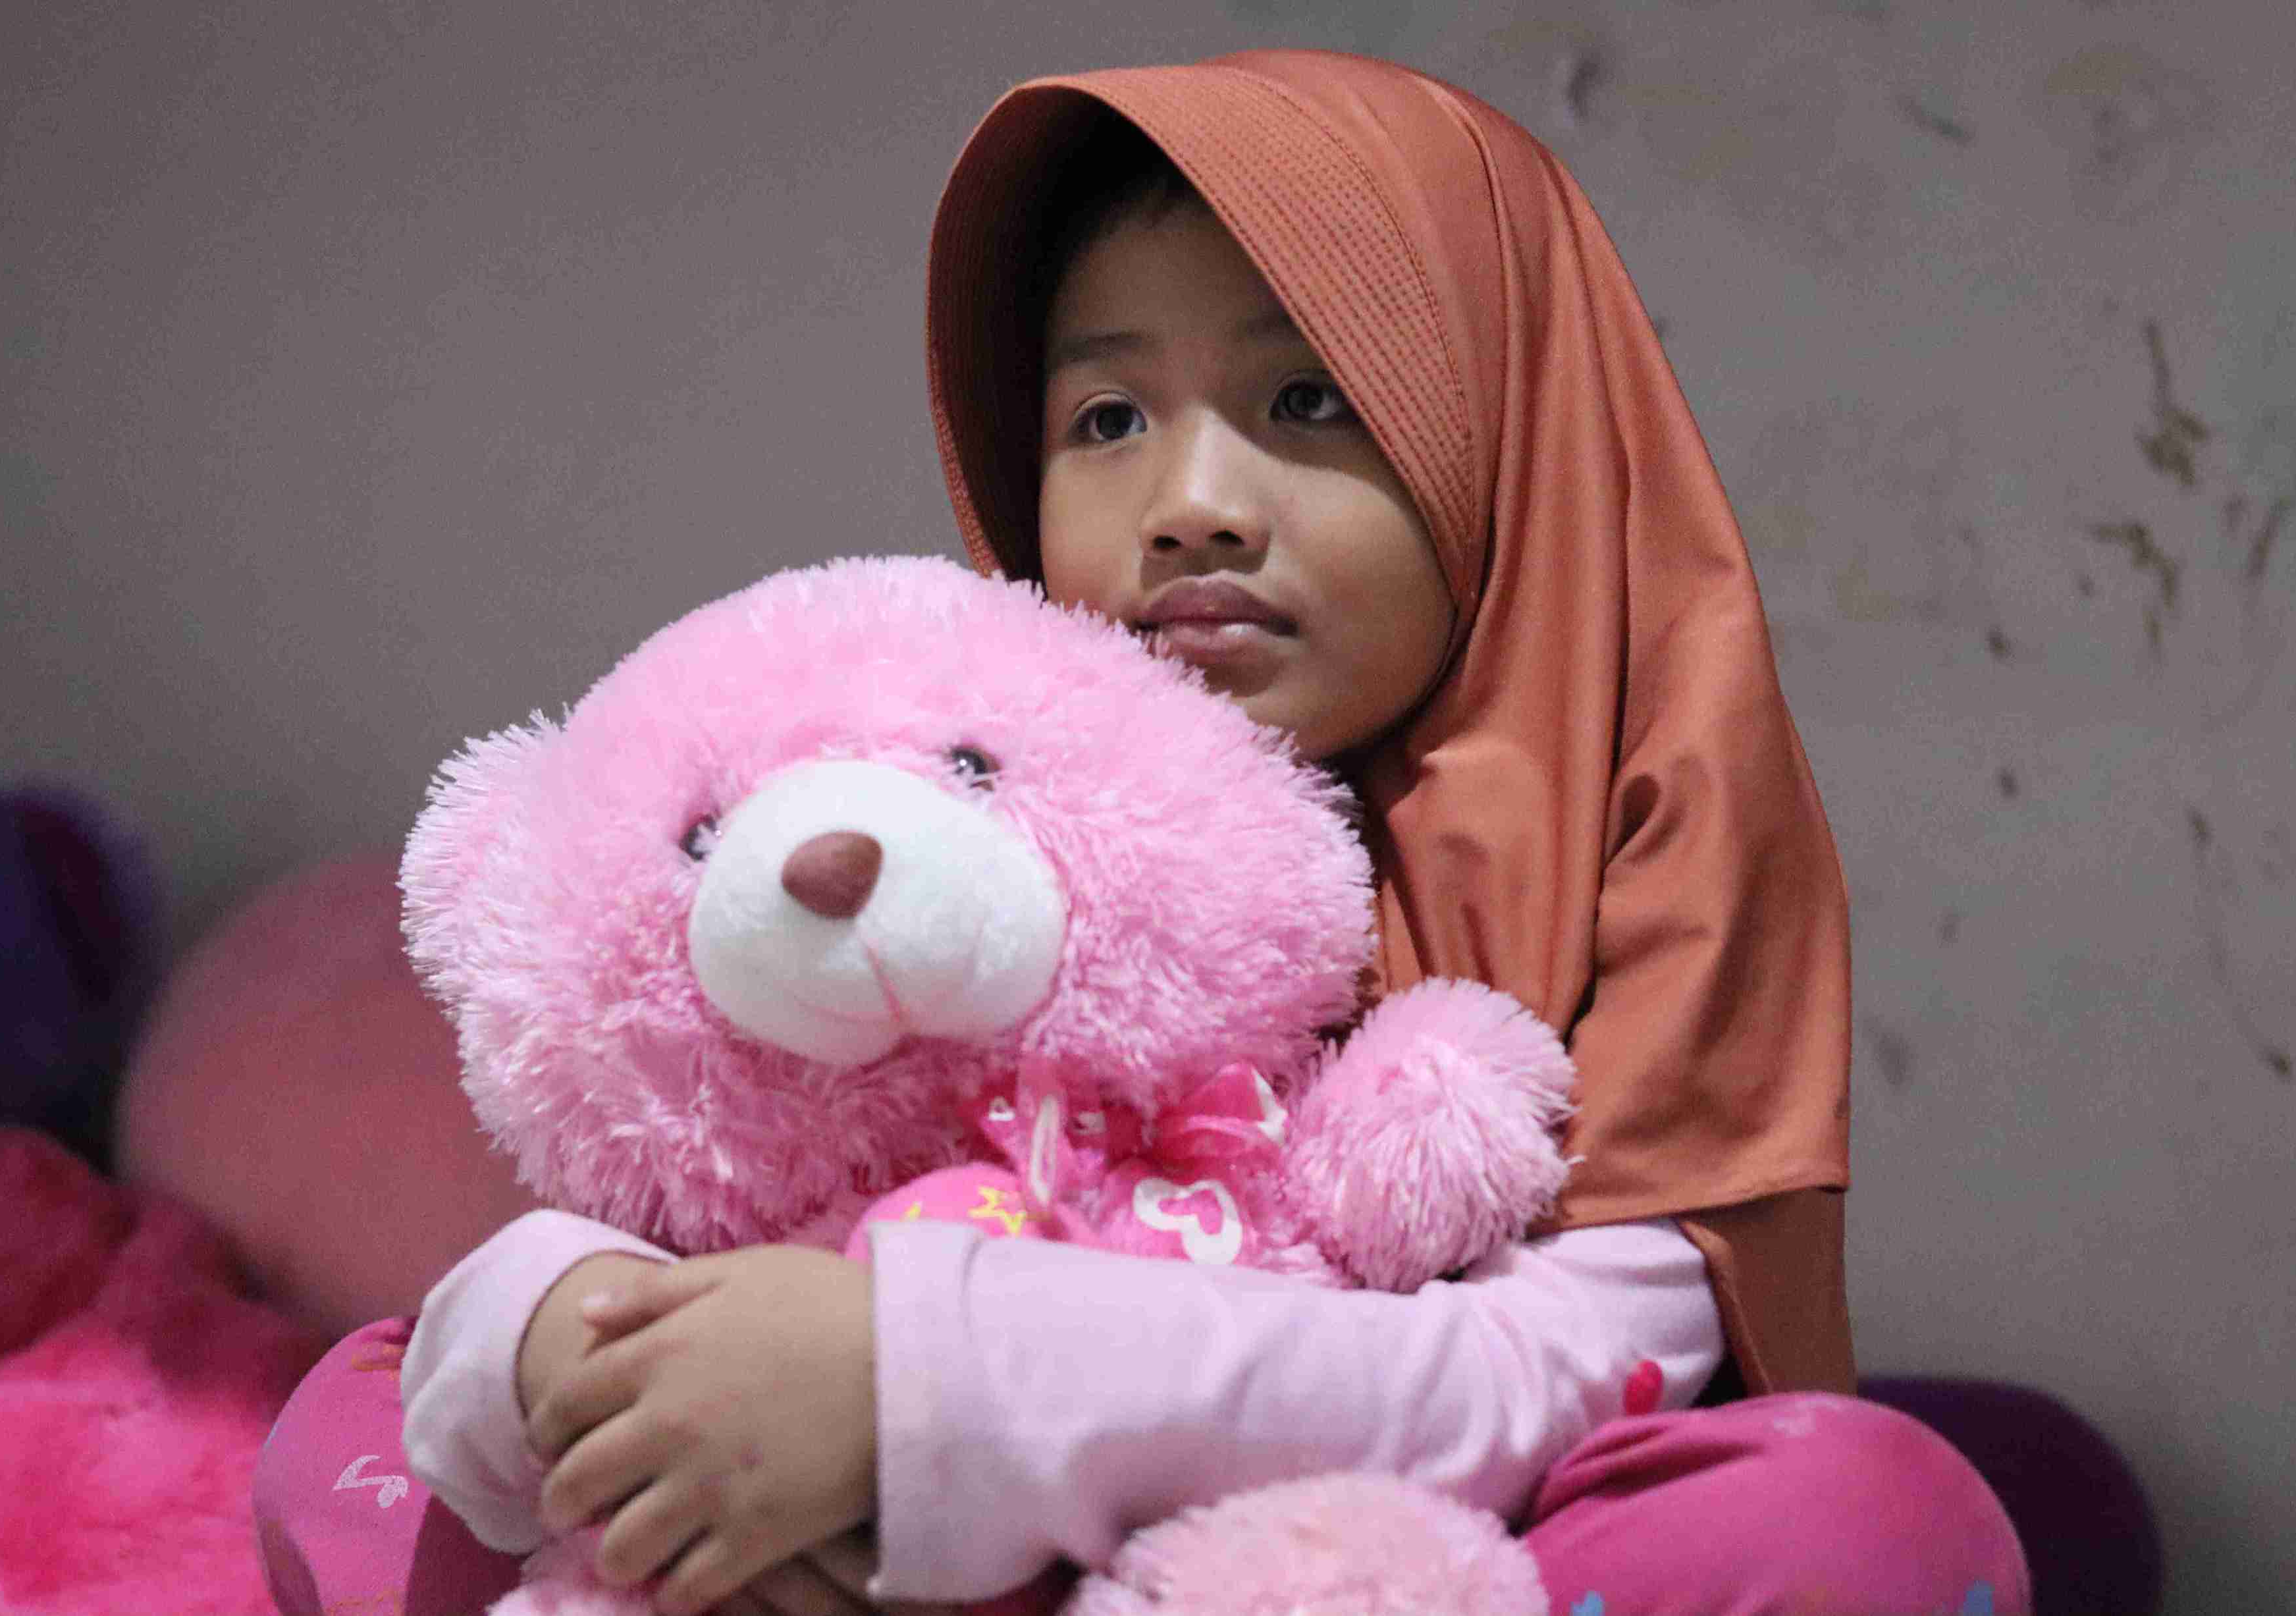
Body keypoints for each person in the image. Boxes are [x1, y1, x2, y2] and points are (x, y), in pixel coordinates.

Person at [258, 49, 2029, 1616]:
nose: (1188, 507)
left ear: (1512, 434)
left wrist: (919, 1387)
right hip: (869, 1508)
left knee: (1856, 1514)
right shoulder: (962, 778)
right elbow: (735, 1191)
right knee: (374, 1417)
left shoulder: (1660, 824)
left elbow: (1564, 1371)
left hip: (1390, 1547)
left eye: (1309, 401)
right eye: (1105, 419)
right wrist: (591, 1340)